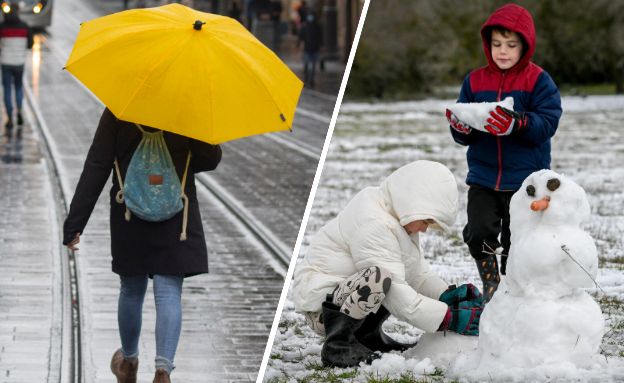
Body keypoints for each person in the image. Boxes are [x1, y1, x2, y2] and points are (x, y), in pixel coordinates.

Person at [63, 109, 221, 382]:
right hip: (176, 214)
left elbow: (97, 164)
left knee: (131, 290)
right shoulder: (186, 107)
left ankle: (128, 362)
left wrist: (75, 223)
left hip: (129, 213)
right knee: (169, 291)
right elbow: (209, 159)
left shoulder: (120, 108)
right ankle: (163, 370)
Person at [292, 160, 484, 368]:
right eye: (426, 221)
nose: (425, 229)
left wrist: (446, 295)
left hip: (349, 292)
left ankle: (367, 337)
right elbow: (396, 292)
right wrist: (447, 318)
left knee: (386, 277)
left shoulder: (398, 218)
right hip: (323, 306)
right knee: (379, 279)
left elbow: (416, 273)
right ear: (413, 203)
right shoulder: (374, 222)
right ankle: (339, 346)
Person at [446, 3, 562, 303]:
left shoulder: (537, 80)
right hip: (483, 175)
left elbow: (548, 121)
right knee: (478, 230)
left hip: (524, 178)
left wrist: (519, 123)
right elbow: (464, 133)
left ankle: (513, 288)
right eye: (497, 44)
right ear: (488, 44)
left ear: (525, 45)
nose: (503, 51)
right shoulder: (475, 81)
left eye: (511, 45)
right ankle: (491, 281)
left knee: (518, 239)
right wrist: (461, 125)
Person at [0, 2, 33, 139]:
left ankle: (10, 119)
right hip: (19, 63)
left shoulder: (2, 27)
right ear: (18, 12)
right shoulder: (25, 27)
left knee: (7, 89)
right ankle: (19, 112)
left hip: (6, 62)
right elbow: (30, 44)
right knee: (18, 88)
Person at [297, 13, 322, 88]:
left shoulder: (316, 27)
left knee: (312, 65)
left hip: (313, 49)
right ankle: (307, 79)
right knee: (307, 65)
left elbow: (320, 37)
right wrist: (299, 45)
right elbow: (301, 37)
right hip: (308, 49)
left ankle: (310, 79)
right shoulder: (306, 27)